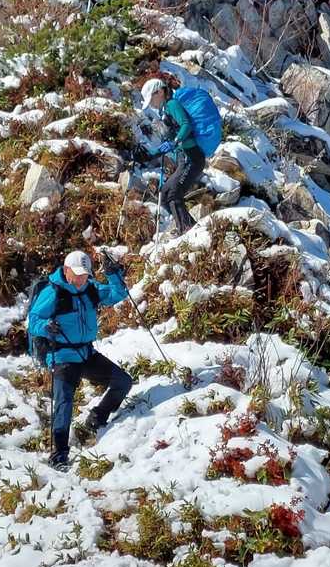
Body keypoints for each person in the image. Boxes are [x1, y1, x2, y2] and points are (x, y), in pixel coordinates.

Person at [27, 250, 132, 470]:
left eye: (85, 274)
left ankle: (97, 417)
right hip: (62, 356)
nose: (81, 278)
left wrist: (113, 274)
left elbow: (118, 294)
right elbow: (33, 320)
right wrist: (46, 327)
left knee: (123, 382)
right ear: (66, 271)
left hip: (86, 353)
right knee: (64, 404)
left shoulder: (90, 289)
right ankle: (59, 455)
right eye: (77, 274)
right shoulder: (53, 292)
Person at [141, 77, 206, 236]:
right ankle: (191, 229)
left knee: (173, 194)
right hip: (184, 159)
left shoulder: (172, 104)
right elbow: (171, 137)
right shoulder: (165, 111)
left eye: (151, 99)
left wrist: (175, 142)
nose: (151, 104)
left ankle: (186, 232)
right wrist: (151, 154)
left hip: (192, 157)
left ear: (160, 92)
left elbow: (186, 124)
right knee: (164, 194)